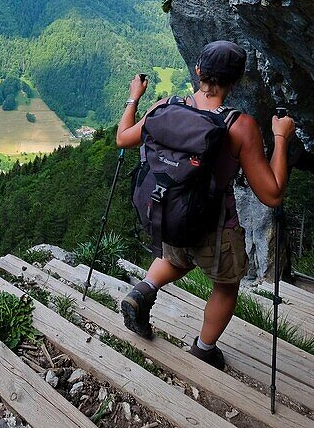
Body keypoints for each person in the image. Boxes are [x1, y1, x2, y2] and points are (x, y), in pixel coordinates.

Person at [115, 40, 295, 371]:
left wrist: (134, 98)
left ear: (198, 71)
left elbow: (123, 137)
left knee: (175, 258)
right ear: (236, 81)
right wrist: (281, 138)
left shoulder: (165, 106)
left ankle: (142, 291)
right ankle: (203, 349)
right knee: (226, 285)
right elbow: (272, 194)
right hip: (215, 225)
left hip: (169, 211)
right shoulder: (240, 127)